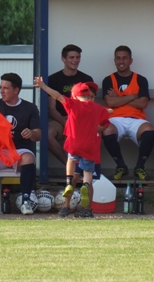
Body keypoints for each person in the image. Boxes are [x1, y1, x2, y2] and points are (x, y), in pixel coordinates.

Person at [35, 78, 110, 218]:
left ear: (74, 96)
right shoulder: (98, 109)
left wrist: (43, 86)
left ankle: (78, 198)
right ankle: (71, 203)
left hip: (76, 145)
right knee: (87, 176)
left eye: (93, 95)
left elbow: (57, 96)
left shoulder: (75, 106)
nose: (91, 97)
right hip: (90, 148)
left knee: (75, 170)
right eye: (89, 94)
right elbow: (106, 119)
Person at [0, 73, 41, 215]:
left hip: (20, 151)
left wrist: (31, 133)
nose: (1, 91)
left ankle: (26, 202)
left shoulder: (29, 108)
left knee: (29, 158)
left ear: (16, 90)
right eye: (1, 87)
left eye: (5, 88)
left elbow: (38, 135)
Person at [101, 46, 154, 180]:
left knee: (150, 131)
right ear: (114, 60)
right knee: (106, 130)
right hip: (114, 119)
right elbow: (110, 102)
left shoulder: (140, 79)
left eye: (125, 58)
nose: (121, 61)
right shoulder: (108, 80)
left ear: (131, 60)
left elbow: (143, 104)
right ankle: (121, 166)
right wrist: (132, 96)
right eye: (118, 58)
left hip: (136, 119)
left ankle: (139, 167)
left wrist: (118, 97)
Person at [46, 44, 94, 166]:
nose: (75, 60)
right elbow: (51, 108)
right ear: (63, 59)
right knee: (47, 134)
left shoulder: (86, 79)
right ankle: (70, 166)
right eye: (72, 57)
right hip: (60, 119)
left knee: (93, 133)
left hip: (80, 120)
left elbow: (90, 105)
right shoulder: (53, 79)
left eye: (78, 57)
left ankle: (85, 169)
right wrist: (65, 123)